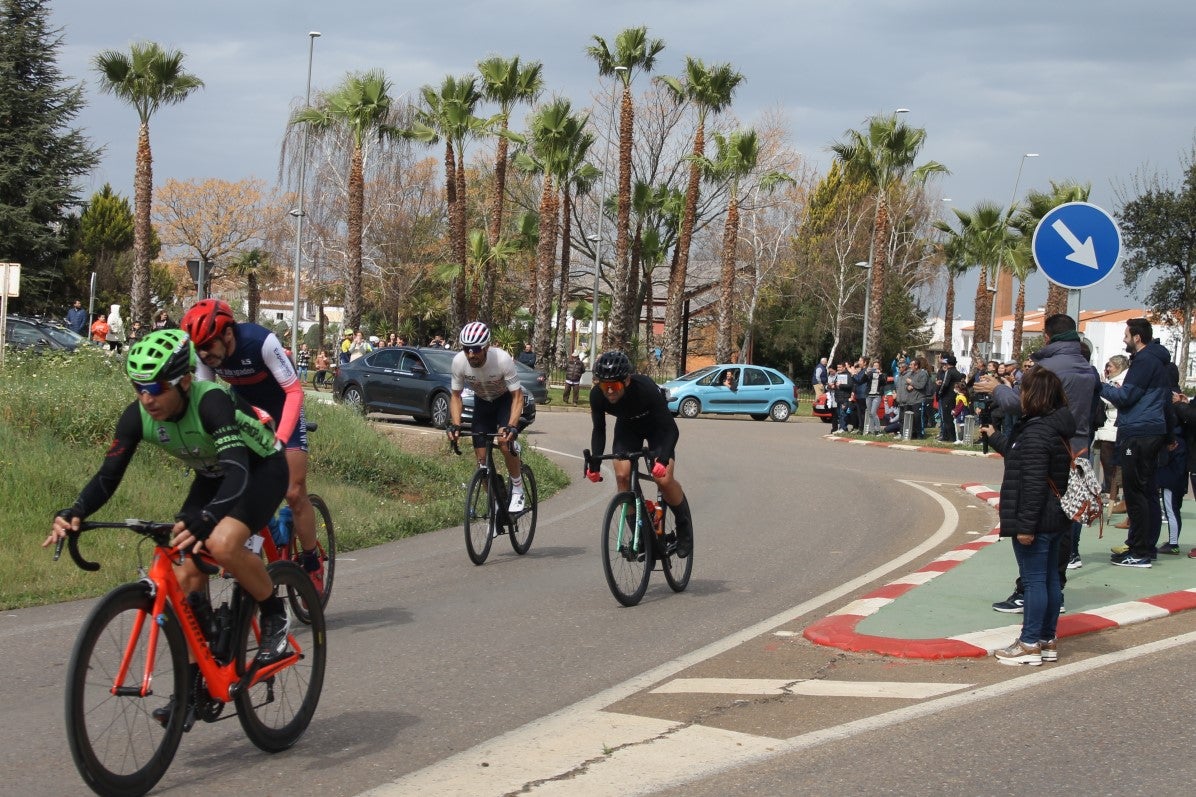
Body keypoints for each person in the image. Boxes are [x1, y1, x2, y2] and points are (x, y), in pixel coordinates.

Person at [43, 329, 293, 721]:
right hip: (212, 475)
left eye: (157, 388)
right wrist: (76, 510)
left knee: (223, 543)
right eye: (139, 388)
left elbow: (238, 470)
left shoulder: (211, 402)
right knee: (184, 570)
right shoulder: (138, 416)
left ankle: (274, 613)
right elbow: (108, 476)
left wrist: (209, 519)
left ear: (185, 380)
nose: (147, 398)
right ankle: (194, 684)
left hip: (259, 469)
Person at [181, 299, 326, 591]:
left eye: (208, 345)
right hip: (249, 416)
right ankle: (258, 542)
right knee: (239, 482)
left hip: (283, 410)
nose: (203, 354)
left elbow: (294, 392)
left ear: (228, 334)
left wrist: (280, 440)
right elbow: (206, 397)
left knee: (294, 491)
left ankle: (312, 560)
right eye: (198, 348)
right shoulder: (206, 355)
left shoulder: (261, 342)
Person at [976, 313, 1099, 602]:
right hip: (1077, 445)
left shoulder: (1049, 368)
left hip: (1045, 442)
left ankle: (1029, 592)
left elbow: (1024, 405)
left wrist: (997, 389)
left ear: (1047, 336)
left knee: (1035, 515)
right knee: (1065, 517)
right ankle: (1055, 588)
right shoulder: (1087, 368)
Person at [981, 366, 1075, 665]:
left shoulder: (1036, 432)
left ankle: (1029, 642)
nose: (1019, 395)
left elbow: (1033, 483)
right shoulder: (1053, 427)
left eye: (1022, 390)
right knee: (1049, 580)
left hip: (1037, 518)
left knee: (1035, 582)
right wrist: (996, 437)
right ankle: (1046, 639)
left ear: (1033, 395)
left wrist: (1025, 527)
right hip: (1055, 516)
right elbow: (1021, 456)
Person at [585, 350, 693, 557]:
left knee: (663, 479)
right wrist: (595, 465)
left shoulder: (645, 389)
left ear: (626, 381)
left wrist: (663, 459)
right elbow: (599, 429)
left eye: (614, 386)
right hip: (627, 428)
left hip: (657, 428)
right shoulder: (597, 395)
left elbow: (671, 430)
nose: (609, 391)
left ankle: (683, 525)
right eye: (604, 386)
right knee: (622, 477)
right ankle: (639, 535)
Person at [1099, 317, 1173, 568]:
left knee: (1136, 492)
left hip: (1139, 432)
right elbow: (1165, 401)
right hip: (1150, 431)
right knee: (1147, 491)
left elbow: (1126, 397)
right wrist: (1168, 436)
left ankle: (1140, 551)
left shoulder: (1144, 361)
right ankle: (1143, 546)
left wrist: (1100, 386)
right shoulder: (1156, 361)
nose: (1124, 339)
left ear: (1137, 337)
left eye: (1126, 335)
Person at [445, 322, 527, 512]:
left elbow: (517, 396)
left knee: (504, 441)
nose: (471, 354)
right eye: (466, 349)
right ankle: (496, 504)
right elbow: (456, 396)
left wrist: (512, 426)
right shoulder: (459, 362)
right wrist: (456, 424)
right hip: (482, 403)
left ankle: (517, 489)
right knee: (482, 463)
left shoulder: (502, 359)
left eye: (475, 349)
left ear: (487, 347)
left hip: (504, 401)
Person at [1095, 355, 1129, 516]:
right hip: (1109, 426)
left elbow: (1114, 400)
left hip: (1114, 428)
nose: (1107, 369)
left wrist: (1102, 391)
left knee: (1112, 464)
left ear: (1119, 367)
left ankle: (1113, 495)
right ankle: (1111, 493)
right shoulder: (1113, 380)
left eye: (1110, 366)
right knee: (1108, 463)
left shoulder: (1120, 381)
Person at [936, 354, 963, 442]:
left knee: (947, 418)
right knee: (951, 417)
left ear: (948, 363)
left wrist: (939, 393)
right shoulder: (957, 372)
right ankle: (950, 436)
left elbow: (945, 384)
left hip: (947, 397)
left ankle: (950, 437)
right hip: (954, 396)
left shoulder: (949, 371)